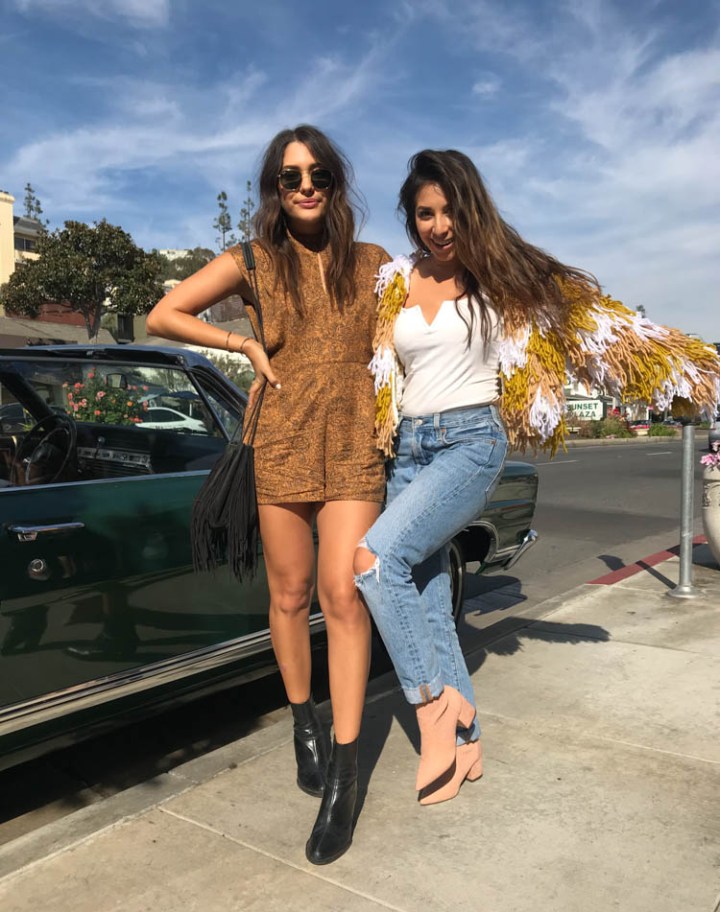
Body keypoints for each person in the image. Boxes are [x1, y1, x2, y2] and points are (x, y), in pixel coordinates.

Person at [354, 148, 720, 806]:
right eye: (425, 214)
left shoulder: (504, 283)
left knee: (375, 563)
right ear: (411, 219)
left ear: (472, 210)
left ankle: (432, 706)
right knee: (430, 601)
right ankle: (467, 740)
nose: (438, 226)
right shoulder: (397, 281)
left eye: (449, 211)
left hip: (470, 442)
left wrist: (687, 369)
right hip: (408, 448)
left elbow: (599, 328)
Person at [147, 125, 389, 864]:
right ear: (275, 191)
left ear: (335, 183)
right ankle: (302, 721)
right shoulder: (252, 260)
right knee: (289, 594)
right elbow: (164, 314)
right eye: (291, 177)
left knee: (343, 593)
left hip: (354, 437)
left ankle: (345, 774)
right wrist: (243, 345)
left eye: (318, 174)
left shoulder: (374, 263)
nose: (306, 186)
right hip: (280, 434)